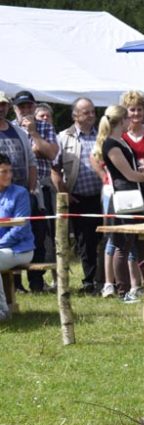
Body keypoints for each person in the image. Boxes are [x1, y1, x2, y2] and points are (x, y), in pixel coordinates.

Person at [95, 105, 144, 301]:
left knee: (139, 244)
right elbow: (128, 175)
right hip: (124, 200)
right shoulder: (111, 145)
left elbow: (131, 169)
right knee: (122, 247)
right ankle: (123, 291)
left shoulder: (119, 141)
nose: (130, 121)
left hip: (135, 199)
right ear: (121, 120)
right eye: (127, 118)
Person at [51, 97, 103, 294]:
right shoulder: (63, 138)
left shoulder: (101, 135)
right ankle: (89, 281)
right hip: (78, 198)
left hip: (102, 197)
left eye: (92, 111)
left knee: (104, 240)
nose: (91, 115)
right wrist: (64, 193)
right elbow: (54, 170)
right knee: (85, 241)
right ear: (75, 115)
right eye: (86, 112)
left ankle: (105, 280)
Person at [12, 90, 58, 293]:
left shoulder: (44, 127)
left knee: (39, 234)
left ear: (34, 107)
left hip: (40, 187)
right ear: (15, 109)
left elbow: (51, 153)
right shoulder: (9, 128)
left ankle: (37, 282)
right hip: (12, 191)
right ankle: (15, 283)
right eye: (21, 107)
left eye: (29, 106)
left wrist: (34, 134)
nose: (26, 110)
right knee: (13, 232)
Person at [0, 153, 33, 320]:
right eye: (3, 172)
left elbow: (20, 229)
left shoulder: (20, 194)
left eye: (9, 171)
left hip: (20, 248)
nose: (8, 175)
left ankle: (3, 311)